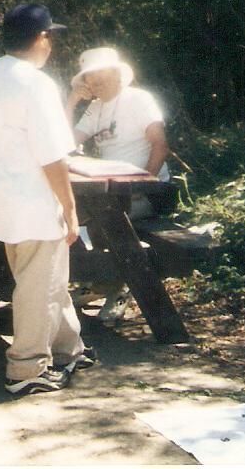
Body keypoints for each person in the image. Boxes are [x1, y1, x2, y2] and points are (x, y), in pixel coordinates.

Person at [0, 4, 95, 395]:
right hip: (33, 203)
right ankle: (26, 369)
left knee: (49, 278)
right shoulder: (36, 83)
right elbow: (52, 156)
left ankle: (69, 349)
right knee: (38, 287)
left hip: (3, 200)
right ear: (41, 38)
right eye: (50, 37)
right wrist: (70, 208)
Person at [65, 46, 171, 323]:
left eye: (99, 75)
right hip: (110, 191)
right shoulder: (96, 107)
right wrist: (72, 101)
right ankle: (100, 281)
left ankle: (119, 288)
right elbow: (64, 143)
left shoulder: (139, 100)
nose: (94, 81)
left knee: (103, 219)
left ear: (115, 73)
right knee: (62, 215)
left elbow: (160, 145)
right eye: (89, 77)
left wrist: (142, 185)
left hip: (150, 192)